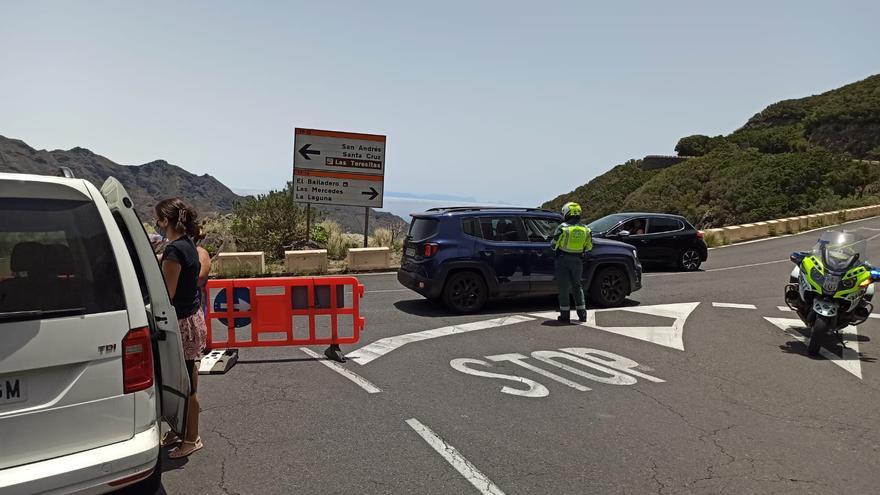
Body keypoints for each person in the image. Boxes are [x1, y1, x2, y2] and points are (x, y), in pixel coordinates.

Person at [155, 198, 206, 459]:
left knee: (187, 384)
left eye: (158, 219)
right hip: (193, 318)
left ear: (165, 221)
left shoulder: (175, 251)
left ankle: (191, 438)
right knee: (184, 379)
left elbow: (168, 294)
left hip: (181, 324)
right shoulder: (187, 245)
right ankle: (181, 429)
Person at [552, 202, 593, 323]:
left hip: (563, 260)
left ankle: (565, 316)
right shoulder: (586, 229)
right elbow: (589, 246)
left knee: (564, 288)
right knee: (577, 286)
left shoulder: (562, 228)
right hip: (578, 260)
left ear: (566, 213)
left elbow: (554, 245)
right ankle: (582, 315)